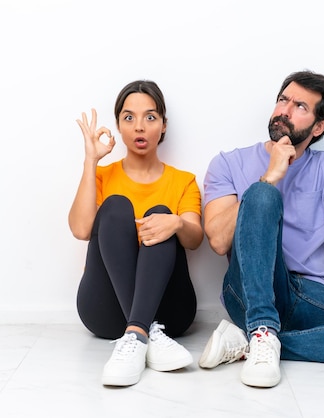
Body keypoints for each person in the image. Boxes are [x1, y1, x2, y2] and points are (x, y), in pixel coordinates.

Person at [198, 70, 324, 388]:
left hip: (307, 294)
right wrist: (270, 176)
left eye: (300, 107)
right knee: (262, 194)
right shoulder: (228, 163)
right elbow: (217, 239)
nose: (285, 110)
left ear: (319, 126)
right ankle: (263, 327)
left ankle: (251, 341)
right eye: (283, 100)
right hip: (249, 290)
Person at [68, 80, 203, 387]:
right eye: (129, 118)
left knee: (161, 215)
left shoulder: (183, 181)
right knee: (115, 207)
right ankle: (142, 331)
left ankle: (138, 331)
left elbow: (195, 239)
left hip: (170, 312)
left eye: (150, 117)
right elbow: (80, 229)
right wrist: (91, 161)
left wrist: (177, 224)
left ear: (164, 126)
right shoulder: (102, 175)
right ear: (118, 125)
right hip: (105, 310)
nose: (140, 127)